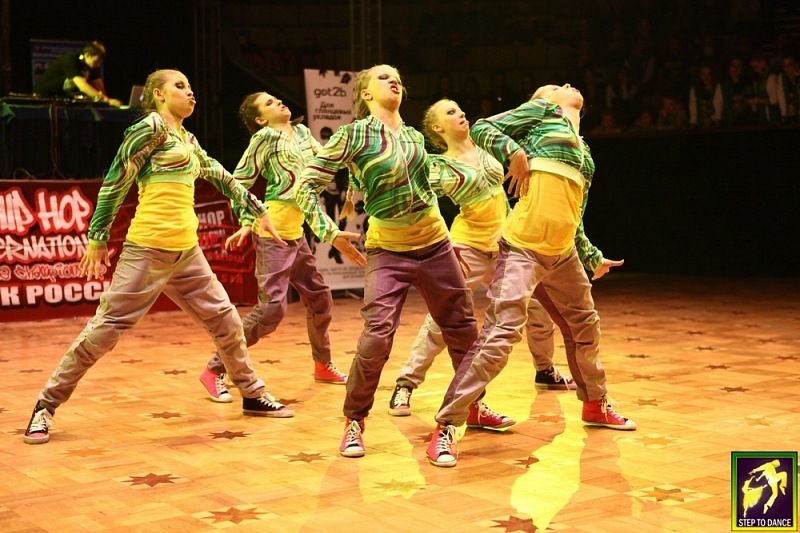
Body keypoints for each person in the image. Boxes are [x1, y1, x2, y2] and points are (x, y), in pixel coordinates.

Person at [23, 69, 293, 445]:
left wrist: (256, 208)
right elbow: (116, 180)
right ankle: (45, 406)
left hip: (187, 254)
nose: (190, 92)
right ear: (158, 95)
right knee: (103, 332)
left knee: (228, 321)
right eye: (179, 86)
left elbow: (220, 174)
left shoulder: (187, 138)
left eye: (190, 86)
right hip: (147, 251)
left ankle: (251, 393)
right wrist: (98, 236)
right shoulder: (149, 129)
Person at [428, 83, 636, 468]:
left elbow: (575, 215)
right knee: (501, 332)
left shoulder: (584, 152)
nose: (568, 86)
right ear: (545, 99)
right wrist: (516, 153)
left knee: (585, 327)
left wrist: (591, 256)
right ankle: (447, 424)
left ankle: (595, 403)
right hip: (523, 246)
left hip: (563, 253)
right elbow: (484, 127)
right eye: (558, 86)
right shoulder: (544, 114)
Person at [294, 64, 494, 461]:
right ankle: (354, 420)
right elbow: (306, 185)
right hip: (388, 250)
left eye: (398, 76)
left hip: (436, 245)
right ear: (366, 94)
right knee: (377, 336)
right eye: (383, 77)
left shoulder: (415, 137)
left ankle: (468, 408)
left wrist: (450, 240)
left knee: (463, 331)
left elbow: (425, 190)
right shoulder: (354, 135)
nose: (394, 80)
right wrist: (329, 231)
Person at [389, 98, 580, 421]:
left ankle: (545, 369)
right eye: (451, 112)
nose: (461, 113)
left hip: (508, 245)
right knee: (443, 318)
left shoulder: (489, 145)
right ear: (437, 128)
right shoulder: (439, 166)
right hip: (468, 247)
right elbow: (417, 200)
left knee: (537, 309)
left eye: (460, 109)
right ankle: (406, 383)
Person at [199, 91, 347, 403]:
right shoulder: (264, 138)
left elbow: (327, 163)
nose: (278, 101)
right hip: (272, 230)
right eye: (268, 103)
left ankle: (322, 364)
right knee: (271, 310)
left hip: (296, 231)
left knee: (320, 297)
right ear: (260, 119)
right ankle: (215, 368)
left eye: (276, 99)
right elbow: (239, 182)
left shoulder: (303, 133)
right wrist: (245, 219)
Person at [33, 40, 122, 106]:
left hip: (63, 96)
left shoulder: (93, 65)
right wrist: (107, 101)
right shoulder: (71, 60)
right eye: (96, 61)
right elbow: (82, 86)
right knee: (74, 85)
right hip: (43, 96)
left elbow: (99, 87)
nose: (98, 65)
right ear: (87, 55)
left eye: (100, 63)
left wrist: (107, 102)